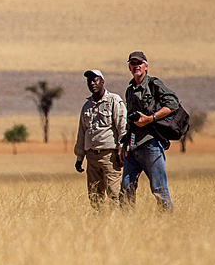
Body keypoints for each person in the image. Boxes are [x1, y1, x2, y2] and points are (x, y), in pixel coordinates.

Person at [119, 51, 179, 212]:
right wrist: (125, 144)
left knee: (158, 188)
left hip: (151, 144)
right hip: (132, 147)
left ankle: (167, 222)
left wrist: (150, 118)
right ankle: (126, 226)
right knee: (126, 188)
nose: (136, 65)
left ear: (146, 66)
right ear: (129, 67)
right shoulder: (130, 89)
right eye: (132, 63)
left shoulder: (154, 84)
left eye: (139, 62)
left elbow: (173, 104)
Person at [74, 69, 127, 209]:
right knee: (94, 195)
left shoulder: (114, 100)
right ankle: (99, 223)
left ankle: (116, 223)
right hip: (91, 157)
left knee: (114, 194)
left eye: (95, 80)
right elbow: (82, 132)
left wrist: (122, 152)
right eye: (89, 81)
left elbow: (123, 127)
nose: (92, 83)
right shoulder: (87, 106)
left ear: (102, 82)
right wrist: (80, 157)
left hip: (110, 155)